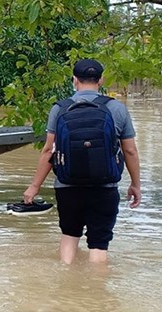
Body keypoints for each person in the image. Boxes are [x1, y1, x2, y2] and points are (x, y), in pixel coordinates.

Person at [23, 59, 141, 264]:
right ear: (101, 80)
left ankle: (67, 282)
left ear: (74, 80)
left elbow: (47, 151)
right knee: (99, 244)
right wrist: (135, 185)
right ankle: (95, 290)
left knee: (69, 235)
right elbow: (129, 151)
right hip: (105, 186)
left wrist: (34, 187)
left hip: (68, 186)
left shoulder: (60, 109)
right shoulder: (117, 109)